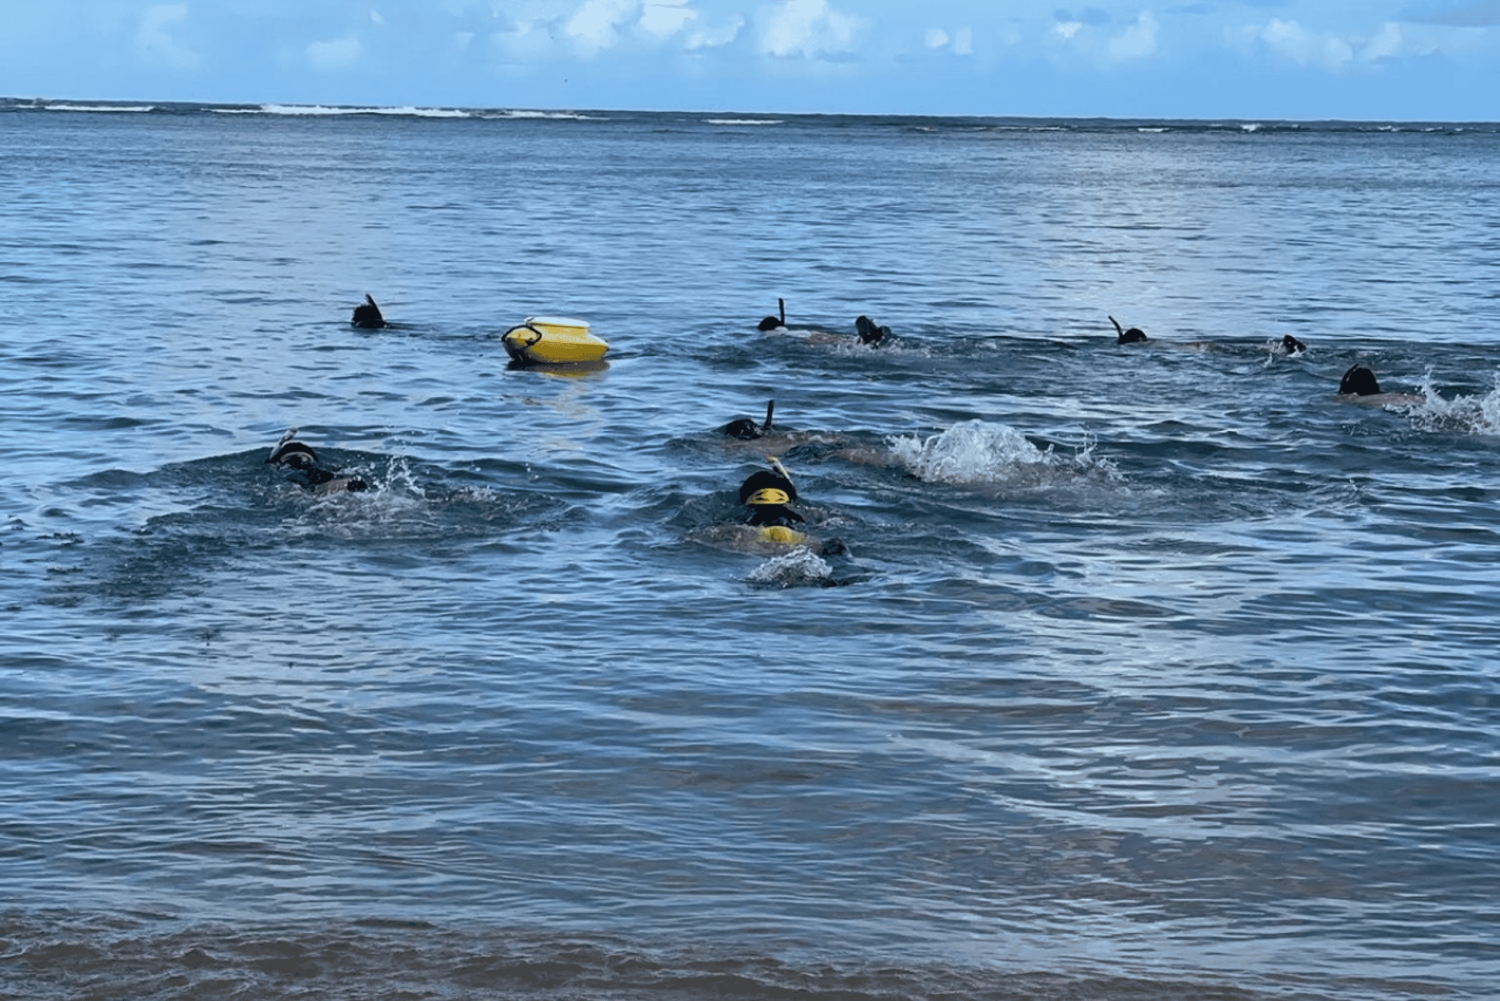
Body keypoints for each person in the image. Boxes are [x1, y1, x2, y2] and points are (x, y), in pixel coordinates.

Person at [267, 428, 368, 493]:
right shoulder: (319, 465)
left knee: (301, 485)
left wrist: (281, 442)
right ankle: (340, 486)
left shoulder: (282, 467)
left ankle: (325, 488)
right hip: (320, 474)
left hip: (294, 477)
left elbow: (271, 463)